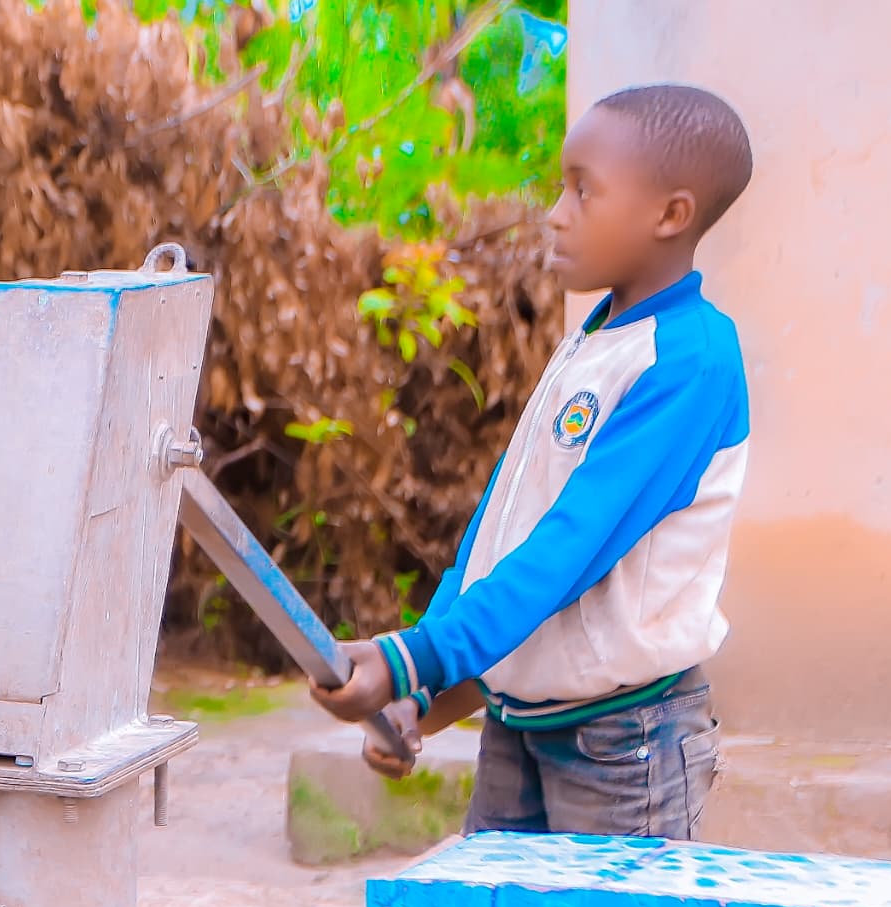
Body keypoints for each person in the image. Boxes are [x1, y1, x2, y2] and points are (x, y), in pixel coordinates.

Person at [313, 84, 755, 839]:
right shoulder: (593, 342)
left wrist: (413, 657)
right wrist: (426, 692)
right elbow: (500, 542)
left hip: (624, 748)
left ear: (670, 215)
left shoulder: (689, 361)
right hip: (519, 731)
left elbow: (565, 554)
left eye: (583, 190)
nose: (556, 211)